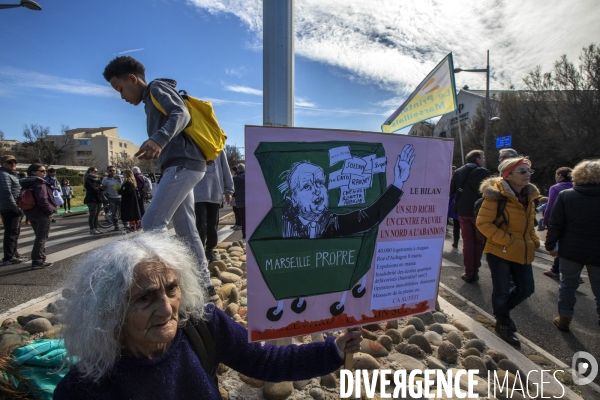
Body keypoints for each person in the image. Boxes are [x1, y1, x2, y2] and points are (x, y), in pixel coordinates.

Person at [53, 233, 362, 399]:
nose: (166, 309)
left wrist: (335, 348)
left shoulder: (201, 324)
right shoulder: (84, 388)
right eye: (145, 298)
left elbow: (267, 362)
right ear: (110, 310)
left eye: (172, 289)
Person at [103, 55, 215, 299]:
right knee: (186, 229)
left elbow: (181, 114)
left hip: (182, 166)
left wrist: (158, 139)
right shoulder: (151, 97)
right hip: (185, 165)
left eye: (120, 89)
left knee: (152, 223)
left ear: (133, 79)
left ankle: (172, 284)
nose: (122, 96)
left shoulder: (156, 87)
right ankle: (204, 284)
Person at [280, 145, 414, 239]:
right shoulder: (281, 223)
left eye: (319, 183)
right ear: (293, 198)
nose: (316, 190)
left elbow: (367, 218)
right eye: (307, 186)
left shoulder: (330, 223)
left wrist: (398, 183)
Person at [477, 157, 540, 346]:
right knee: (502, 289)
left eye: (529, 171)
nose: (528, 174)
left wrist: (534, 241)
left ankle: (501, 311)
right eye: (522, 171)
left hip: (522, 249)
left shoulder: (529, 195)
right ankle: (502, 321)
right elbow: (483, 223)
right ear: (508, 174)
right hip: (499, 250)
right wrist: (508, 240)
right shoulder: (496, 195)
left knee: (527, 288)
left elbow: (529, 224)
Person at [545, 160, 600, 332]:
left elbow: (556, 224)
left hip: (571, 249)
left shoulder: (566, 195)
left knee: (567, 285)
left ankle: (564, 318)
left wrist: (550, 244)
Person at [449, 150, 491, 283]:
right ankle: (475, 271)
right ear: (477, 159)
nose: (483, 159)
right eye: (482, 157)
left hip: (462, 211)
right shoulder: (484, 172)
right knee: (478, 242)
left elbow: (452, 190)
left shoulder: (458, 172)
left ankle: (468, 272)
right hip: (479, 211)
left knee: (467, 242)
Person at [193, 151, 234, 262]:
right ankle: (199, 250)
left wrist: (229, 190)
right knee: (199, 223)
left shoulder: (219, 149)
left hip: (215, 192)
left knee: (213, 224)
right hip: (197, 193)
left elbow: (225, 169)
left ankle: (210, 249)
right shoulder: (194, 144)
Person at [19, 164, 57, 269]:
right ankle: (38, 260)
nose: (45, 173)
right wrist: (49, 211)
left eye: (45, 171)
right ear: (33, 172)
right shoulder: (39, 184)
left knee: (39, 236)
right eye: (42, 171)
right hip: (42, 214)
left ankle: (39, 258)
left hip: (31, 212)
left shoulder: (26, 183)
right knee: (41, 237)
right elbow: (43, 200)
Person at [542, 167, 574, 281]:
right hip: (573, 222)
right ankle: (561, 270)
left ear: (560, 175)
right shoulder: (577, 186)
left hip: (558, 221)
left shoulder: (556, 188)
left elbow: (550, 207)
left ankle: (558, 271)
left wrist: (545, 221)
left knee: (557, 246)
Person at [0, 154, 25, 265]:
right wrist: (15, 207)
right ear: (3, 164)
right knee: (11, 232)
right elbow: (6, 193)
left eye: (15, 162)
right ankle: (8, 257)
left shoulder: (12, 174)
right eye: (10, 162)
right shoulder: (4, 175)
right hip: (10, 208)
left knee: (15, 231)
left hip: (15, 207)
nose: (13, 164)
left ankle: (14, 253)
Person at [101, 166, 123, 231]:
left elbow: (125, 186)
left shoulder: (120, 177)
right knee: (114, 213)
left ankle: (125, 224)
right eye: (110, 171)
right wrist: (105, 194)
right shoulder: (105, 179)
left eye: (113, 170)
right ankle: (116, 226)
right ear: (108, 171)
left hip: (120, 197)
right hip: (111, 197)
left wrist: (121, 181)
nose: (112, 172)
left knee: (123, 212)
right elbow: (103, 187)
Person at [84, 166, 104, 235]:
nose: (96, 173)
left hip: (98, 198)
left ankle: (96, 227)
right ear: (90, 171)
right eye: (95, 171)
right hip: (92, 199)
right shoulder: (88, 180)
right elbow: (93, 189)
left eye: (96, 171)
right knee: (93, 214)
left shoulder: (97, 180)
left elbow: (103, 187)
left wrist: (100, 188)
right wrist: (99, 188)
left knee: (96, 215)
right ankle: (92, 228)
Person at [232, 163, 246, 239]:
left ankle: (244, 236)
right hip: (249, 201)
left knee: (243, 219)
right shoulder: (249, 177)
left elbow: (233, 190)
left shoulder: (235, 178)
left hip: (239, 201)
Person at [448, 166, 460, 249]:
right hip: (467, 206)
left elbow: (451, 193)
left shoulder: (457, 177)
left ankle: (456, 241)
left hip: (457, 203)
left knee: (457, 224)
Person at [230, 166, 242, 230]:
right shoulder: (239, 177)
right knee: (237, 212)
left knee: (236, 212)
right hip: (239, 197)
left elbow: (234, 187)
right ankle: (237, 223)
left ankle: (238, 224)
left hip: (236, 196)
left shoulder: (235, 178)